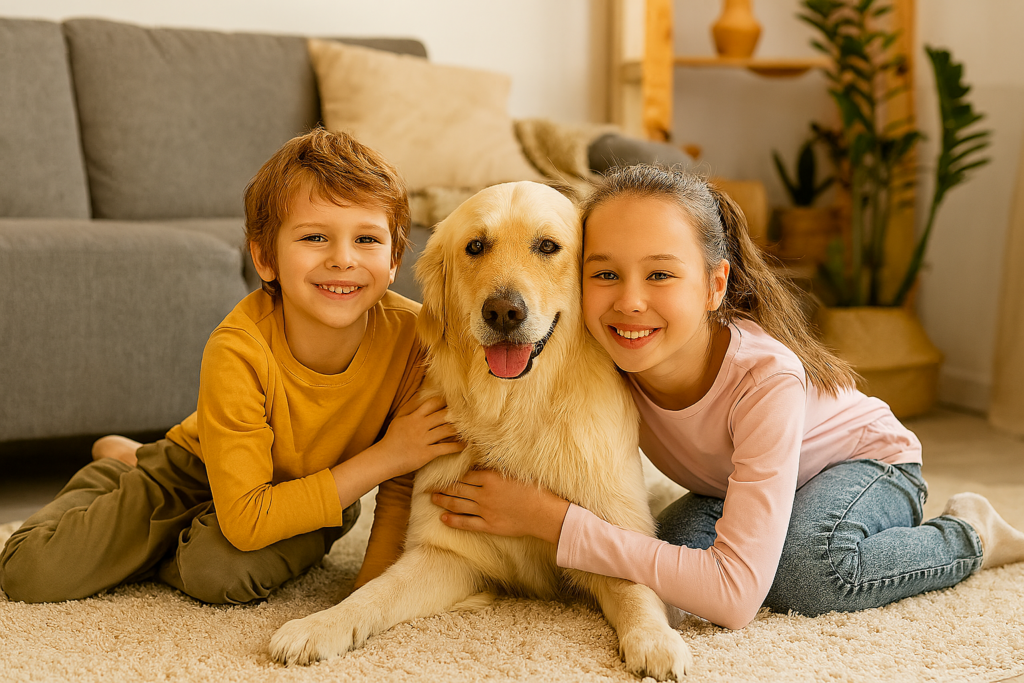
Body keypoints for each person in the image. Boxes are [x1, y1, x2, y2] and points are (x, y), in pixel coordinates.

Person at [431, 164, 1024, 629]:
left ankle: (971, 533)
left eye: (660, 275)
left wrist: (553, 521)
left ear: (716, 284)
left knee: (803, 575)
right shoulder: (596, 344)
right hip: (732, 485)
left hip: (866, 466)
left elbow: (737, 600)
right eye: (606, 274)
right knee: (669, 573)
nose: (630, 302)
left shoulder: (768, 381)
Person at [0, 128, 461, 604]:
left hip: (313, 490)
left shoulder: (416, 337)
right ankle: (129, 465)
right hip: (194, 467)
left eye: (366, 239)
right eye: (315, 237)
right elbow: (390, 461)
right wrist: (387, 456)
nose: (342, 259)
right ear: (265, 258)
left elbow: (402, 485)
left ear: (394, 260)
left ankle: (169, 535)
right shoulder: (238, 348)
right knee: (32, 573)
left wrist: (368, 598)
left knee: (217, 574)